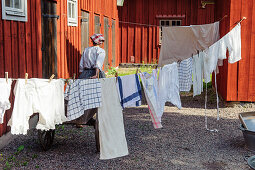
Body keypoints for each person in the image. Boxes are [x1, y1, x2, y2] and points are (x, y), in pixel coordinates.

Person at [75, 33, 106, 128]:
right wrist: (96, 74)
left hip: (85, 73)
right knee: (98, 95)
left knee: (82, 95)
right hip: (94, 73)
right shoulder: (100, 51)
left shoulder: (86, 50)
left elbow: (81, 64)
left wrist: (82, 74)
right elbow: (98, 63)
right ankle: (93, 116)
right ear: (99, 42)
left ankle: (80, 118)